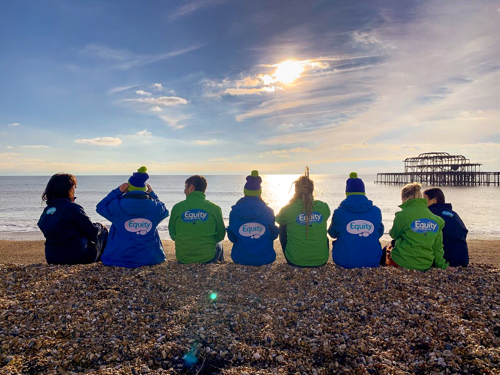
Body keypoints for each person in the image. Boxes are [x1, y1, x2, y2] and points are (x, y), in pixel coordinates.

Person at [96, 167, 168, 268]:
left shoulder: (117, 205)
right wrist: (152, 195)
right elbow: (165, 211)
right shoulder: (155, 207)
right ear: (145, 190)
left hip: (119, 258)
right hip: (151, 258)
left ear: (127, 188)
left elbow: (100, 207)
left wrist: (117, 192)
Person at [37, 173, 108, 265]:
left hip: (52, 258)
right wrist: (100, 226)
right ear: (68, 189)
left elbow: (43, 226)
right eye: (74, 187)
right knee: (101, 229)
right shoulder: (73, 208)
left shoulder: (48, 210)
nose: (74, 190)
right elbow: (93, 231)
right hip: (78, 257)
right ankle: (107, 259)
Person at [386, 182, 449, 271]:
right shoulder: (436, 220)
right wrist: (442, 265)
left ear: (403, 198)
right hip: (425, 265)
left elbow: (394, 235)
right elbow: (437, 247)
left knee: (388, 247)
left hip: (402, 262)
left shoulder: (402, 215)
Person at [276, 167, 331, 267]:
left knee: (282, 226)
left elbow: (279, 219)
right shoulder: (324, 207)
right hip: (321, 260)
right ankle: (316, 253)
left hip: (294, 260)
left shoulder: (288, 209)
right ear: (312, 189)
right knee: (320, 228)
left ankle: (299, 254)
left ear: (296, 190)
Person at [328, 172, 384, 268]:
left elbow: (332, 234)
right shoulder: (376, 211)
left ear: (347, 193)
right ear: (364, 192)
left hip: (344, 261)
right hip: (372, 261)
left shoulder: (339, 212)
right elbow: (379, 233)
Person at [168, 175, 226, 264]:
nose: (184, 191)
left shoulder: (177, 208)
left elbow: (173, 235)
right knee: (219, 244)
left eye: (185, 187)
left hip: (183, 258)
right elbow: (221, 235)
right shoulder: (215, 208)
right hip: (207, 258)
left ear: (191, 187)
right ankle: (218, 266)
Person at [227, 171, 279, 266]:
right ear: (259, 192)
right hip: (265, 258)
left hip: (240, 258)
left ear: (245, 191)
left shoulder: (234, 212)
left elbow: (232, 238)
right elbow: (274, 235)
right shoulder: (268, 211)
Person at [424, 188, 469, 267]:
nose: (422, 202)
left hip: (447, 260)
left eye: (424, 199)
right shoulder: (453, 214)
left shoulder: (430, 214)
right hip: (462, 259)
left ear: (434, 199)